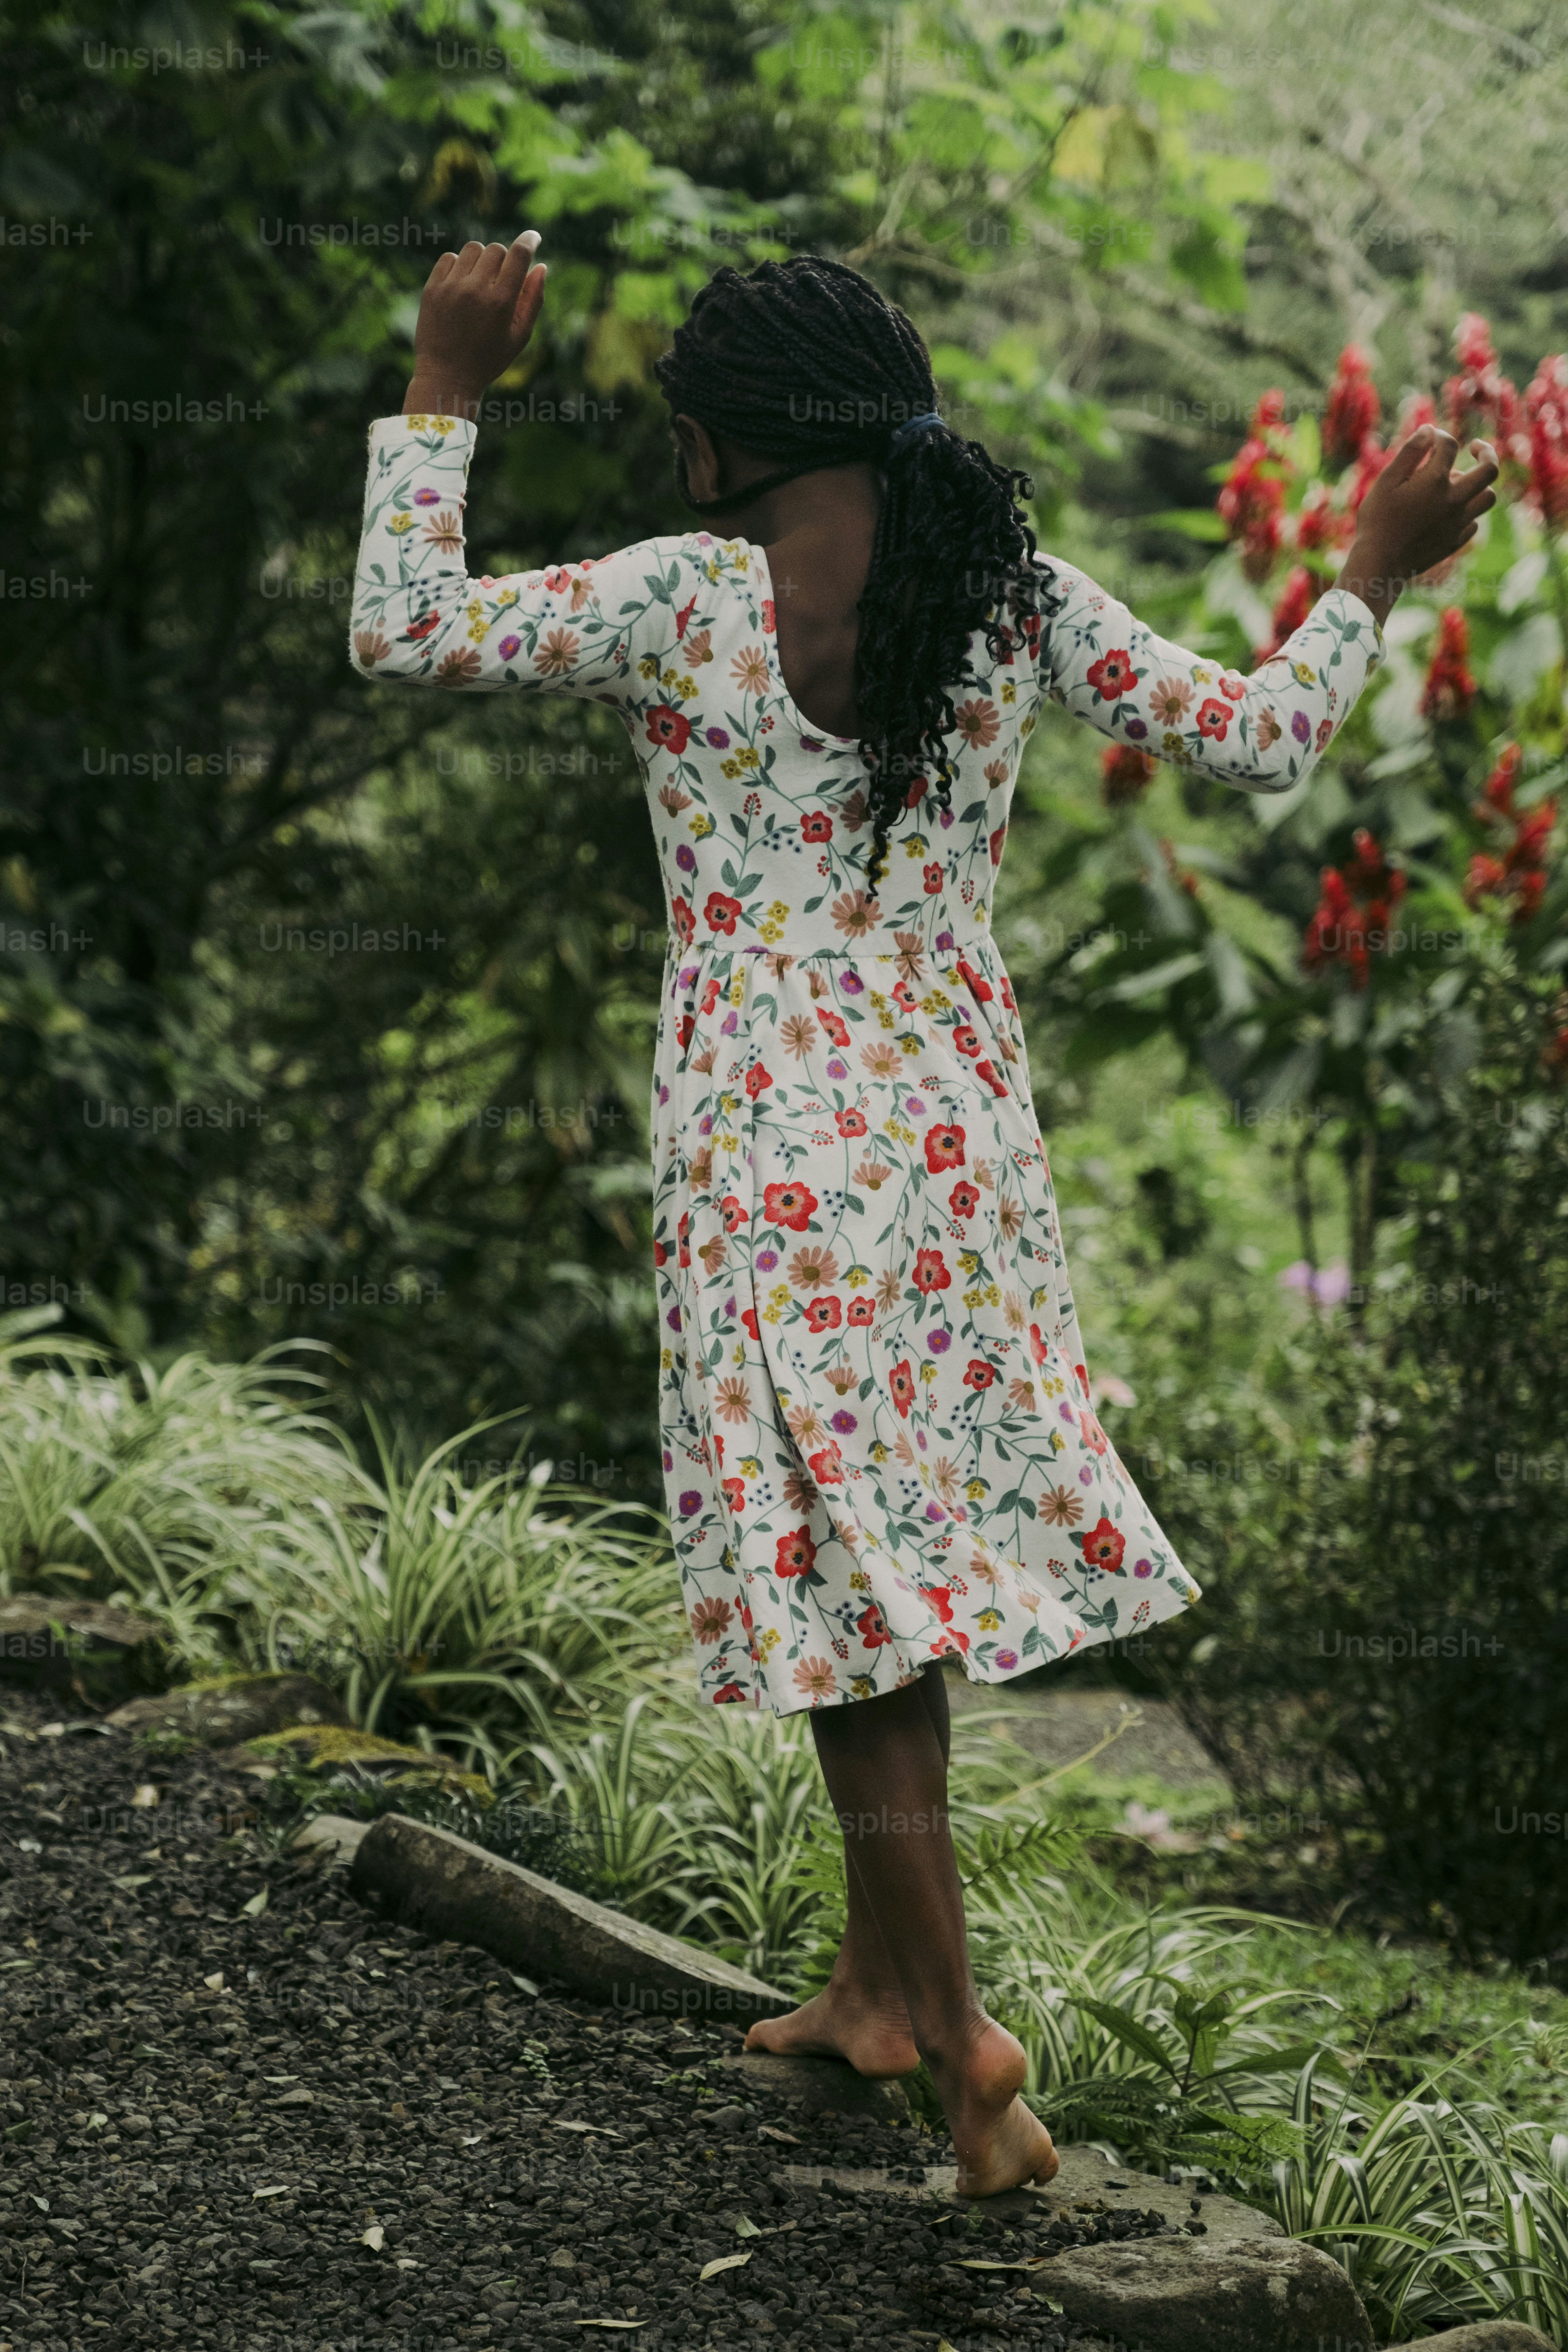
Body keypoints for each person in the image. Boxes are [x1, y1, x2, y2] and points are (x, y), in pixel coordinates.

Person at [350, 234, 1496, 2195]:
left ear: (727, 445)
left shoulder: (681, 599)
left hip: (768, 1145)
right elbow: (1259, 738)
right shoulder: (1005, 591)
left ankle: (967, 2047)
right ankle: (878, 1989)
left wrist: (448, 384)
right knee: (869, 1568)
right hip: (955, 1146)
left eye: (689, 424)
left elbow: (404, 628)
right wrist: (1368, 574)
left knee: (842, 1589)